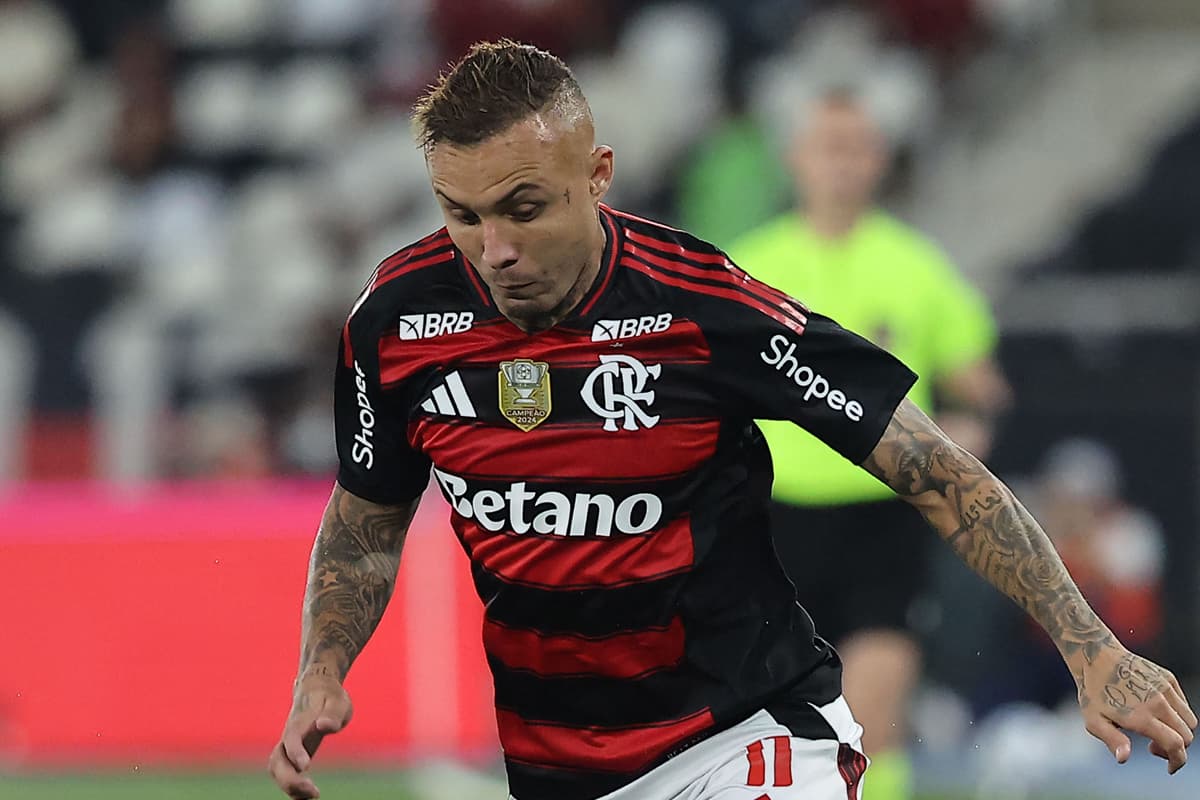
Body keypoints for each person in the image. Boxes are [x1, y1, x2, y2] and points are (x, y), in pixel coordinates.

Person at [267, 40, 1195, 800]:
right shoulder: (395, 323)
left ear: (598, 176)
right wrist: (322, 665)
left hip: (748, 735)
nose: (495, 251)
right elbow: (365, 523)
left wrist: (1093, 649)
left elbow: (937, 469)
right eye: (461, 216)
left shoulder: (705, 306)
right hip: (557, 766)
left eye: (523, 208)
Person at [727, 88, 1011, 800]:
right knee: (776, 726)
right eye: (828, 146)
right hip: (774, 525)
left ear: (879, 159)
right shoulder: (749, 267)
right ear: (796, 158)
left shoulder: (917, 266)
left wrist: (963, 440)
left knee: (872, 718)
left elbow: (979, 387)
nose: (842, 164)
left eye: (856, 147)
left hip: (882, 522)